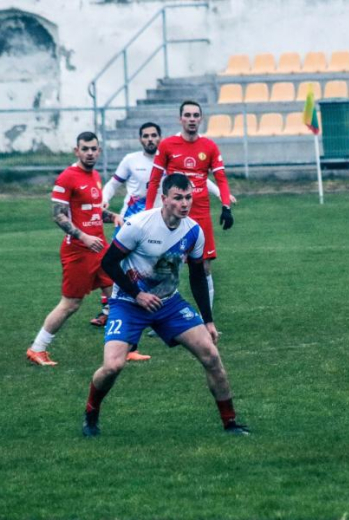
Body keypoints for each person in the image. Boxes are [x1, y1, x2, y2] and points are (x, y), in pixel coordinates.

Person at [82, 173, 249, 437]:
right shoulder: (139, 225)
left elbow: (197, 276)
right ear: (164, 199)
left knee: (211, 356)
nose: (185, 203)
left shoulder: (194, 231)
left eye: (188, 197)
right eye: (178, 198)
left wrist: (208, 320)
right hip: (128, 302)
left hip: (168, 303)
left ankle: (230, 423)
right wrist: (137, 294)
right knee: (113, 366)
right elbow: (109, 263)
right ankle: (91, 415)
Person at [93, 122, 236, 358]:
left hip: (165, 220)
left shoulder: (170, 163)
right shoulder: (131, 160)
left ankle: (156, 316)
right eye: (146, 135)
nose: (150, 139)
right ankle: (116, 312)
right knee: (123, 265)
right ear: (140, 139)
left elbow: (197, 180)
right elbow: (116, 183)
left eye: (154, 135)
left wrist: (222, 196)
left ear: (159, 138)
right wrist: (108, 199)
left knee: (163, 266)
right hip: (139, 219)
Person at [26, 132, 123, 366]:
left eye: (93, 149)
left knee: (117, 297)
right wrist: (84, 237)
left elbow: (93, 211)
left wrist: (114, 216)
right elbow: (57, 215)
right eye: (85, 149)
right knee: (71, 304)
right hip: (78, 252)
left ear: (99, 151)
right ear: (76, 151)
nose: (90, 153)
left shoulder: (96, 176)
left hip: (100, 249)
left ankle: (125, 348)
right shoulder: (67, 178)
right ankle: (37, 349)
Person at [144, 100, 235, 310]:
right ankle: (161, 319)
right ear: (180, 118)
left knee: (204, 268)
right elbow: (155, 179)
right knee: (164, 267)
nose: (192, 119)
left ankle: (206, 319)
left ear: (200, 119)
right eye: (188, 115)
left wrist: (226, 207)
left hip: (201, 214)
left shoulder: (209, 146)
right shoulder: (167, 145)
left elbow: (221, 178)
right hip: (171, 216)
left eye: (196, 115)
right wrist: (149, 211)